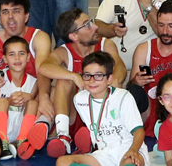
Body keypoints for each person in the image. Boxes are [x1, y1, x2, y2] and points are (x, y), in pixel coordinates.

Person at [55, 51, 152, 166]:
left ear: (109, 78)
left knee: (129, 163)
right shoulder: (79, 99)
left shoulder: (123, 97)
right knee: (62, 163)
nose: (92, 80)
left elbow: (138, 131)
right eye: (87, 75)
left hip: (128, 147)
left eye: (99, 75)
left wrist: (133, 150)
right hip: (104, 153)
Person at [40, 9, 128, 154]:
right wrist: (74, 76)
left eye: (91, 22)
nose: (95, 27)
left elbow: (120, 67)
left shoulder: (105, 45)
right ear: (74, 35)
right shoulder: (64, 52)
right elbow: (44, 67)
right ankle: (63, 136)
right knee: (64, 81)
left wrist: (114, 81)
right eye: (87, 25)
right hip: (76, 113)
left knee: (114, 84)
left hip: (102, 113)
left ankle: (101, 136)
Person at [0, 35, 52, 159]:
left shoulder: (34, 81)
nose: (17, 58)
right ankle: (2, 142)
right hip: (2, 126)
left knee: (33, 103)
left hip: (22, 125)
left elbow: (35, 105)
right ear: (4, 59)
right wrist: (9, 101)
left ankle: (23, 141)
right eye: (11, 54)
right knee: (1, 101)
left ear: (28, 57)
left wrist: (28, 98)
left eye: (21, 53)